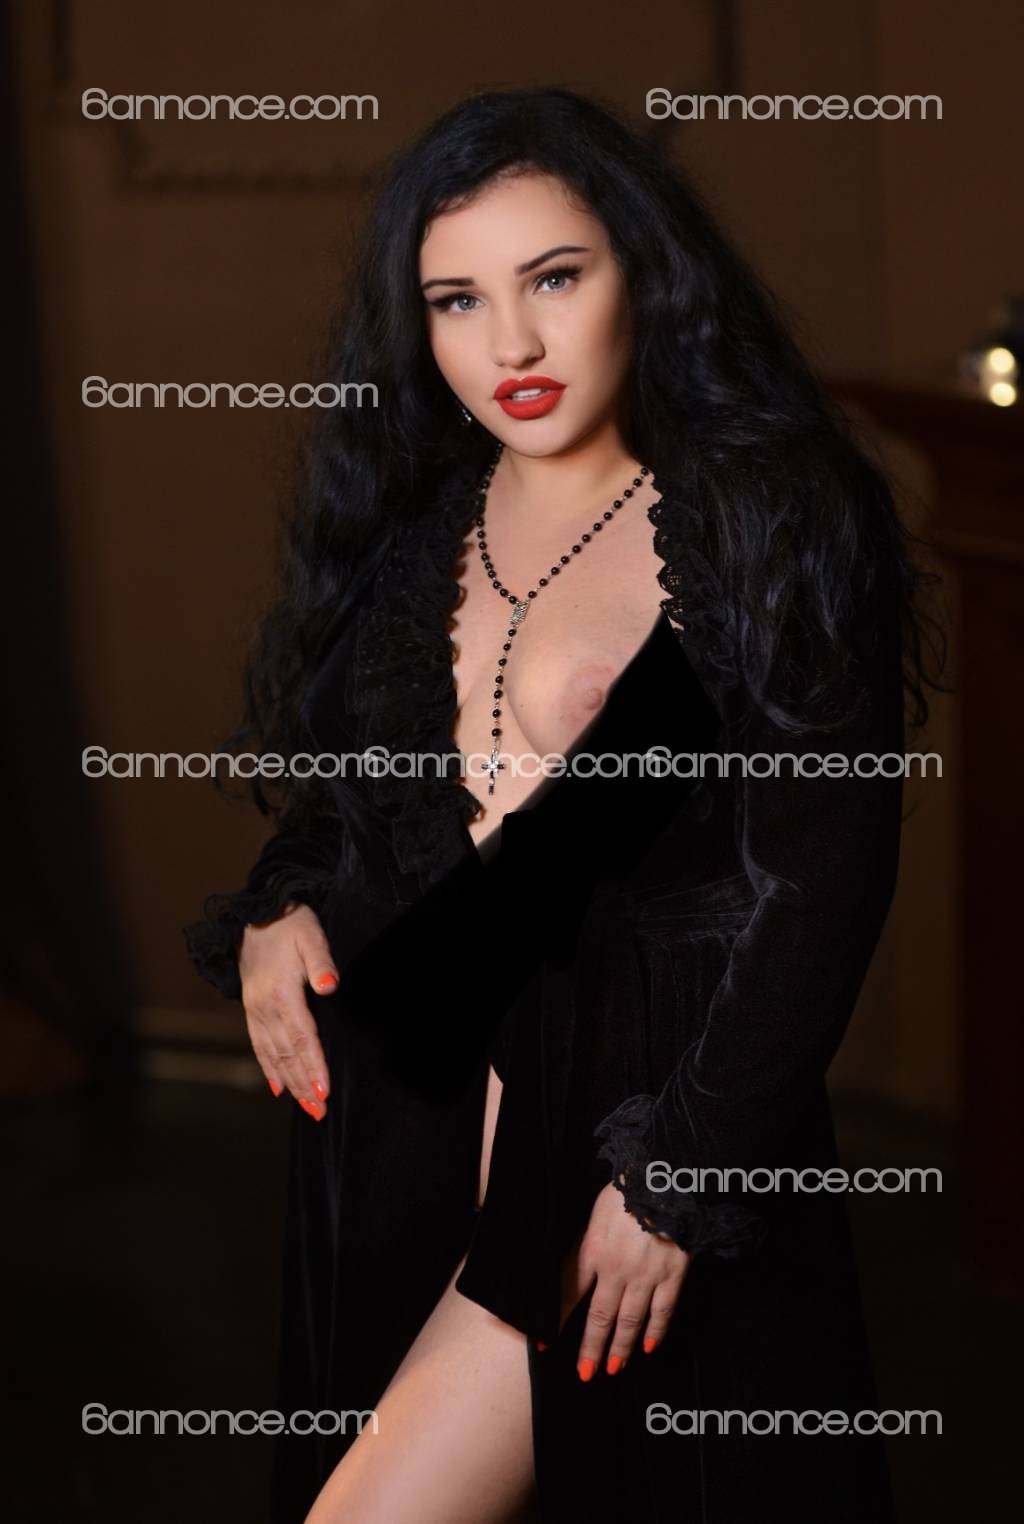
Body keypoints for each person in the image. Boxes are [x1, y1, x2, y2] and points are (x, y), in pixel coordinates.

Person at [184, 88, 942, 1523]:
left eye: (553, 279)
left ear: (642, 272)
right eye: (458, 301)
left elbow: (821, 885)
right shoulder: (425, 515)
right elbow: (367, 806)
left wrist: (681, 1176)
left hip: (623, 1124)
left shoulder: (765, 512)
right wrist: (281, 907)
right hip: (402, 1121)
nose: (511, 347)